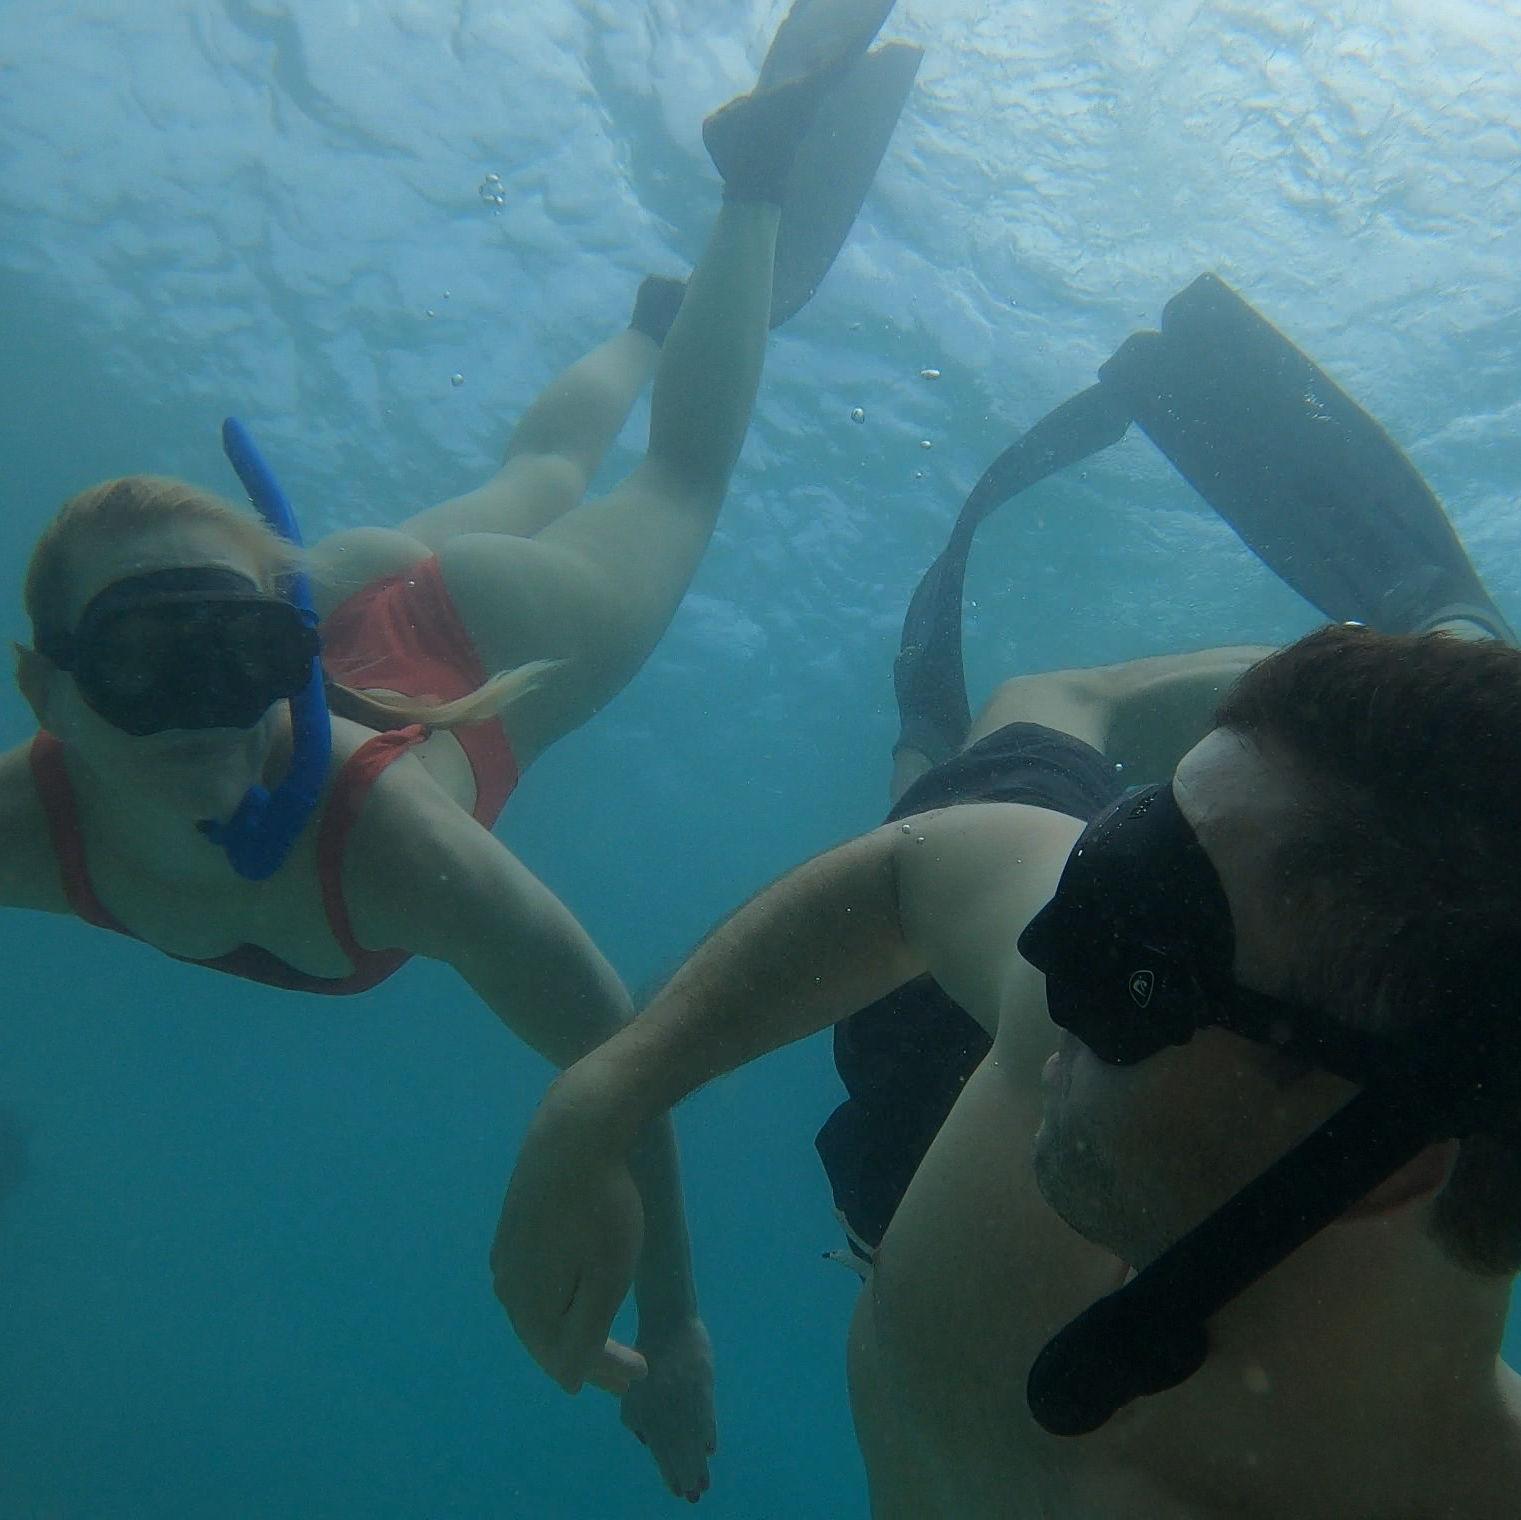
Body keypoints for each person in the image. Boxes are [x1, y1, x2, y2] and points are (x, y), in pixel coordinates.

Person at [0, 0, 917, 1501]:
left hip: (466, 636)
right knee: (539, 470)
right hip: (327, 583)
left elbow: (628, 1058)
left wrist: (679, 1336)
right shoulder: (24, 825)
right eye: (144, 674)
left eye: (234, 660)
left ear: (280, 645)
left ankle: (755, 181)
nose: (207, 719)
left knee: (673, 487)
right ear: (49, 695)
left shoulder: (397, 852)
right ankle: (644, 321)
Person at [492, 283, 1521, 1516]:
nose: (1046, 952)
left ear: (1377, 1162)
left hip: (918, 1193)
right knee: (1052, 706)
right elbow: (921, 870)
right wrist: (606, 1094)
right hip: (1002, 1136)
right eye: (1125, 855)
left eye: (1139, 960)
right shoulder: (1081, 1001)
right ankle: (1453, 654)